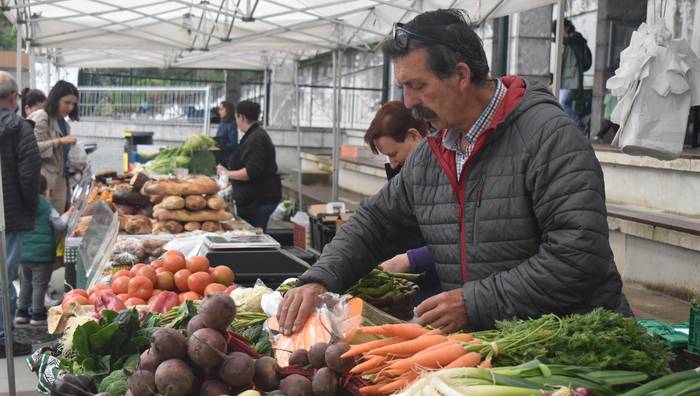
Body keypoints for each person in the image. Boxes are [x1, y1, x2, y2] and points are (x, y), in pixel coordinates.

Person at [277, 9, 628, 335]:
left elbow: (579, 255)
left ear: (460, 75)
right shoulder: (434, 153)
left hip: (572, 347)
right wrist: (320, 278)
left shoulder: (548, 137)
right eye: (403, 86)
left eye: (417, 85)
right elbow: (376, 223)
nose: (409, 102)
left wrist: (475, 302)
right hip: (493, 348)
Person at [363, 101, 439, 302]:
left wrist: (410, 259)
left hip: (439, 288)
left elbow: (459, 242)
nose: (392, 163)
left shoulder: (443, 175)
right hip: (418, 285)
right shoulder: (405, 175)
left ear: (414, 136)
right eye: (387, 157)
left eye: (394, 154)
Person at [0, 71, 41, 357]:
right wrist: (31, 207)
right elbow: (29, 175)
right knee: (4, 277)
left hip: (8, 212)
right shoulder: (20, 128)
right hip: (9, 215)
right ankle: (5, 337)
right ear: (14, 97)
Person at [216, 100, 281, 232]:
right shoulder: (253, 135)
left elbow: (251, 171)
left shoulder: (256, 138)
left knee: (255, 234)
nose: (236, 121)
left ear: (242, 117)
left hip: (260, 199)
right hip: (254, 198)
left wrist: (227, 173)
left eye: (236, 118)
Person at [15, 175, 70, 326]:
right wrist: (68, 215)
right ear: (46, 190)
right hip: (42, 255)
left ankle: (21, 312)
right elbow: (59, 225)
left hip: (23, 253)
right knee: (40, 285)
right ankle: (37, 314)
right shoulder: (46, 205)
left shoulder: (22, 204)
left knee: (26, 283)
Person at [29, 80, 80, 213]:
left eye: (73, 104)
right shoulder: (42, 117)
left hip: (61, 182)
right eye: (66, 102)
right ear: (56, 99)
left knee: (59, 225)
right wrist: (59, 141)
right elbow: (32, 148)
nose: (70, 108)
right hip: (44, 183)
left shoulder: (64, 123)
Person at [554, 18, 590, 125]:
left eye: (559, 29)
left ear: (567, 27)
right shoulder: (565, 42)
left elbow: (567, 40)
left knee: (562, 102)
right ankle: (570, 125)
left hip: (572, 80)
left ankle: (577, 124)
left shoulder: (576, 37)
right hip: (564, 80)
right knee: (561, 103)